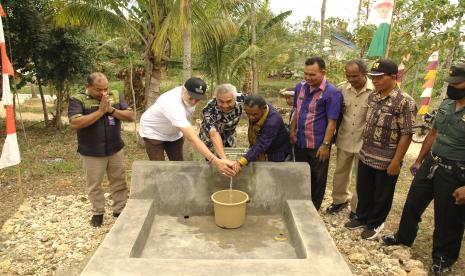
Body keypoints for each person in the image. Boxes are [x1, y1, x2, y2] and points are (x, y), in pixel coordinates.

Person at [382, 62, 465, 274]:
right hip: (432, 163)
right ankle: (403, 238)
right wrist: (419, 160)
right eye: (451, 82)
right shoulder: (447, 103)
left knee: (448, 218)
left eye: (458, 83)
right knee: (412, 204)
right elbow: (433, 134)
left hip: (456, 171)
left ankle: (443, 259)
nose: (452, 87)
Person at [344, 59, 416, 240]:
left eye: (379, 78)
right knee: (364, 189)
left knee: (381, 194)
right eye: (373, 77)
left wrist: (396, 161)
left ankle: (375, 223)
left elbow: (407, 134)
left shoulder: (404, 101)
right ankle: (361, 217)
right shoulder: (373, 97)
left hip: (387, 159)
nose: (375, 81)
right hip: (366, 153)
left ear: (393, 77)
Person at [68, 72, 135, 227]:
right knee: (94, 184)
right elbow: (75, 123)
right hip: (91, 151)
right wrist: (100, 111)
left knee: (119, 180)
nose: (104, 93)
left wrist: (111, 110)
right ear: (88, 87)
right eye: (99, 90)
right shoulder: (77, 99)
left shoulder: (115, 95)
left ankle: (120, 209)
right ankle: (98, 212)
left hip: (115, 148)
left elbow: (130, 115)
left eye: (106, 88)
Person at [139, 77, 236, 176]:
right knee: (159, 168)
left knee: (178, 165)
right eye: (191, 97)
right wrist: (215, 161)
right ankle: (161, 188)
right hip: (153, 132)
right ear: (183, 90)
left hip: (174, 132)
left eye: (197, 99)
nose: (194, 102)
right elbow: (192, 138)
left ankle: (178, 187)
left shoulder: (188, 96)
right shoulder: (171, 103)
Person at [290, 57, 343, 210]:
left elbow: (332, 122)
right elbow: (296, 110)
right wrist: (292, 130)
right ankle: (300, 204)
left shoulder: (332, 93)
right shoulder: (300, 87)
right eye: (305, 74)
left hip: (318, 145)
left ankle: (314, 208)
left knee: (317, 178)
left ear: (323, 72)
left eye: (312, 75)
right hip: (299, 141)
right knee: (300, 173)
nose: (308, 78)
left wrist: (326, 145)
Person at [327, 60, 374, 218]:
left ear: (364, 74)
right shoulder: (342, 89)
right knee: (340, 172)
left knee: (362, 178)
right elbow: (336, 114)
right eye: (348, 76)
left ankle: (357, 208)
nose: (351, 79)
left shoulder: (375, 91)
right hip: (345, 137)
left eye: (355, 76)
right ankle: (339, 201)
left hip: (364, 142)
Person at [232, 94, 291, 173]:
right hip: (261, 150)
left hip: (276, 153)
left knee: (271, 176)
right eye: (247, 114)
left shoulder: (273, 121)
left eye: (254, 114)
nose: (251, 117)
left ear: (263, 109)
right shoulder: (256, 111)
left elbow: (261, 144)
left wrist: (240, 162)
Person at [198, 84, 245, 159]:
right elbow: (214, 134)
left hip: (229, 134)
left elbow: (259, 104)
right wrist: (224, 160)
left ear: (235, 97)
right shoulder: (209, 109)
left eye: (229, 101)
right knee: (215, 162)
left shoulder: (242, 98)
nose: (225, 105)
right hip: (210, 137)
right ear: (215, 98)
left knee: (231, 157)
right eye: (221, 101)